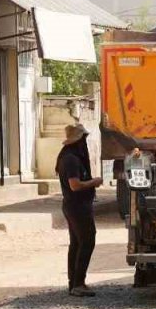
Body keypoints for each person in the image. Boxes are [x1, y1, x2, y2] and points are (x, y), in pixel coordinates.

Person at [56, 123, 103, 297]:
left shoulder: (70, 157)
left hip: (75, 205)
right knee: (87, 241)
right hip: (77, 206)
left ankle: (74, 283)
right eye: (83, 139)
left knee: (77, 243)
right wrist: (94, 182)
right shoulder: (71, 159)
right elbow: (75, 185)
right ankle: (78, 283)